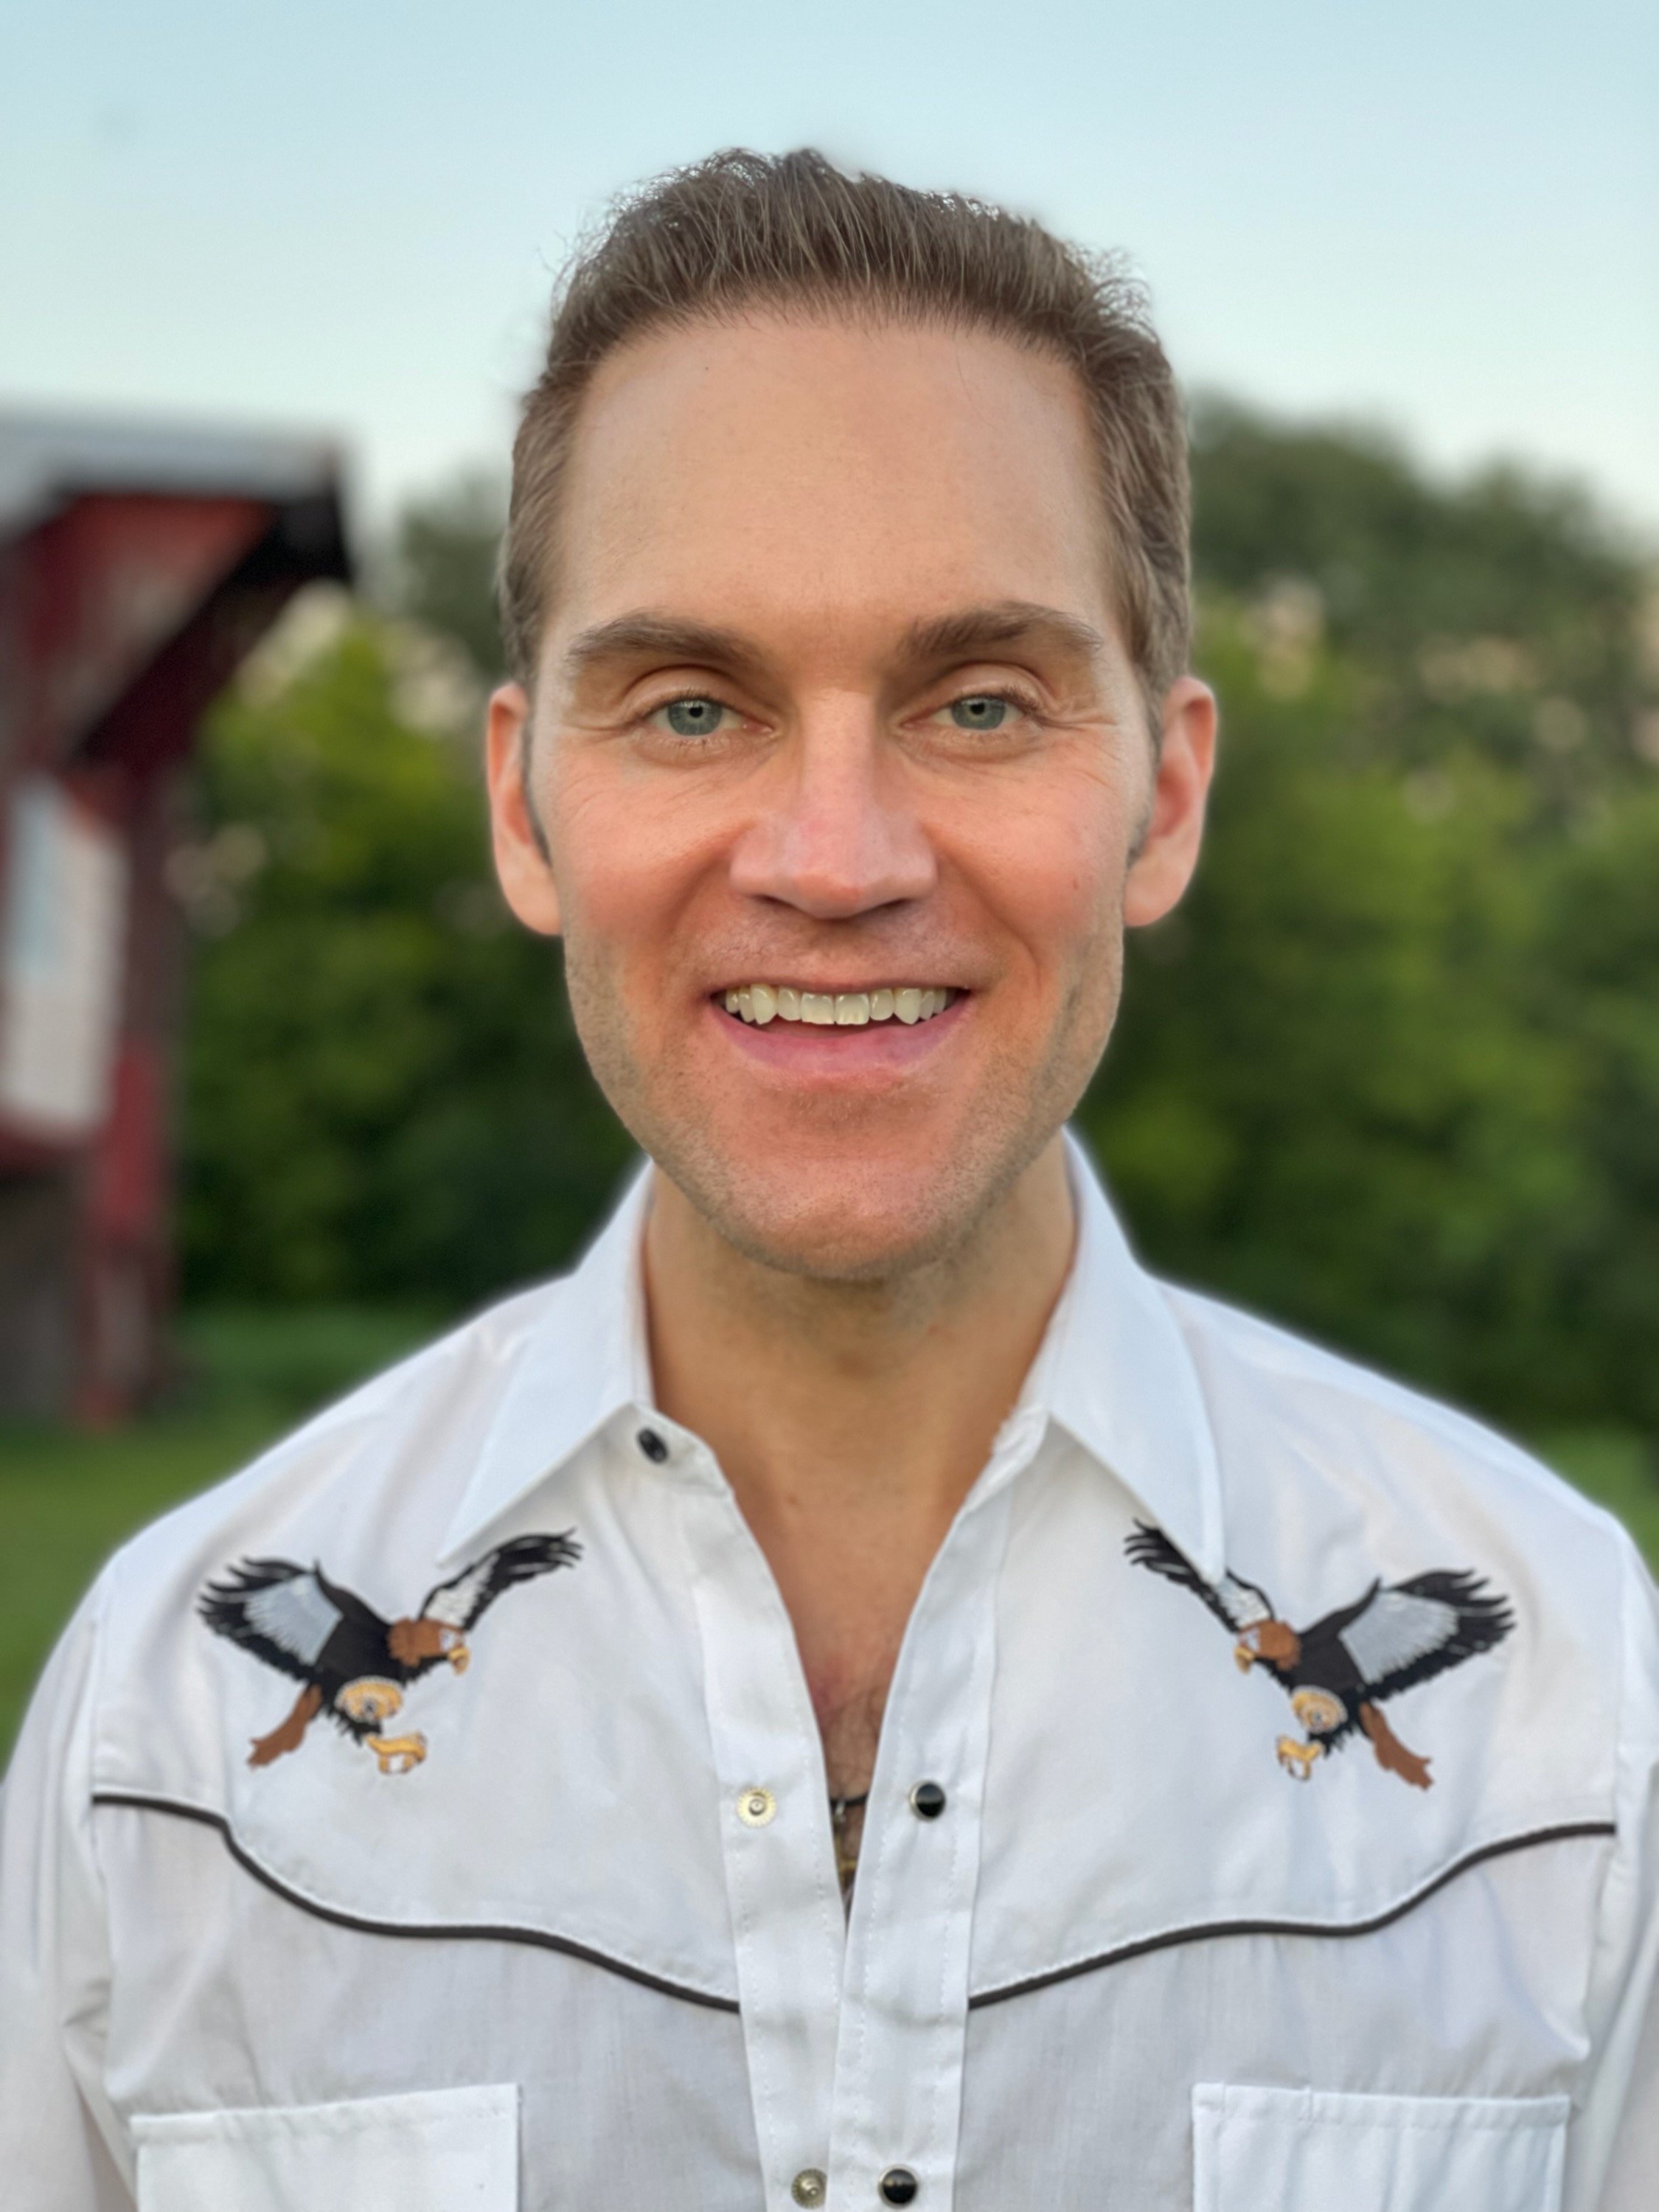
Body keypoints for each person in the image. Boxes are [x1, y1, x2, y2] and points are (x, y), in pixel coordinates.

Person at [1, 149, 1655, 2212]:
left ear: (1163, 799)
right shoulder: (159, 1738)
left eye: (981, 702)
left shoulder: (1570, 1710)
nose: (836, 858)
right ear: (523, 805)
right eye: (692, 706)